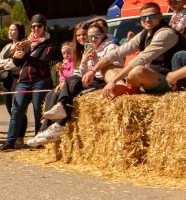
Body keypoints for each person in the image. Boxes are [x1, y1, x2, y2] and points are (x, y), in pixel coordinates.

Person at [29, 18, 121, 146]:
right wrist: (84, 62)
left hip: (102, 81)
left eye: (96, 36)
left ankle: (58, 121)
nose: (92, 39)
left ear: (103, 34)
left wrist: (96, 60)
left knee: (71, 82)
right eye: (90, 36)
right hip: (88, 80)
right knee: (53, 93)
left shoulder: (111, 47)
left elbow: (115, 69)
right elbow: (82, 72)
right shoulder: (89, 49)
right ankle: (45, 129)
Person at [88, 2, 180, 98]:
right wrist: (93, 71)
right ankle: (124, 90)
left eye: (152, 16)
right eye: (143, 17)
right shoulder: (145, 34)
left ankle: (128, 90)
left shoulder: (166, 33)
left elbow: (141, 59)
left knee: (138, 71)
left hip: (169, 80)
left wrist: (113, 81)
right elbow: (118, 52)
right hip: (150, 76)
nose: (147, 20)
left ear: (160, 16)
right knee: (106, 67)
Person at [2, 15, 55, 150]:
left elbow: (42, 63)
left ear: (44, 27)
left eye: (39, 26)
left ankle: (38, 141)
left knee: (39, 112)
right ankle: (10, 142)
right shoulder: (26, 43)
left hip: (41, 80)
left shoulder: (48, 44)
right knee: (16, 110)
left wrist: (25, 56)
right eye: (33, 26)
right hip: (24, 81)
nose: (35, 29)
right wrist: (16, 54)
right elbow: (17, 63)